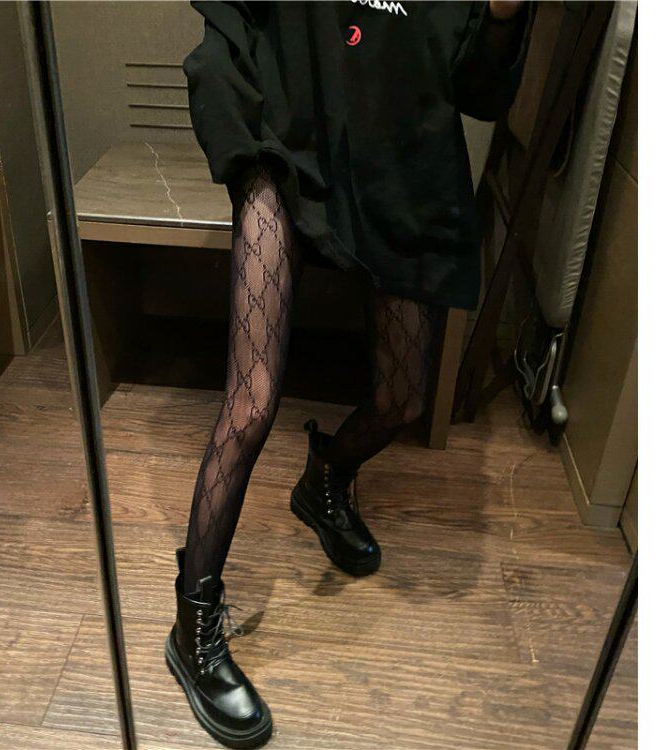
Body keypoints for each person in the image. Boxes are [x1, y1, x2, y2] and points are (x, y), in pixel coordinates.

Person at [165, 2, 531, 747]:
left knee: (403, 400)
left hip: (399, 165)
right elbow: (229, 29)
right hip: (281, 141)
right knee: (251, 401)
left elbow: (481, 94)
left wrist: (500, 18)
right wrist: (241, 149)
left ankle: (325, 476)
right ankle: (192, 626)